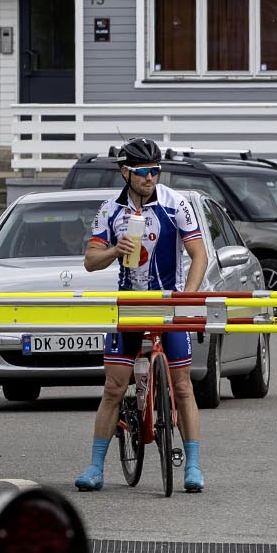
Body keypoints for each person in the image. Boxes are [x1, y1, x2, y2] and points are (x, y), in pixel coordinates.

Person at [74, 137, 211, 493]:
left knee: (183, 387)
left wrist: (189, 298)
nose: (151, 177)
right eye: (143, 172)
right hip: (129, 305)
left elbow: (199, 255)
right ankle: (94, 466)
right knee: (113, 388)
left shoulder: (175, 202)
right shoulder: (111, 210)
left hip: (168, 303)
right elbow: (90, 261)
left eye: (155, 171)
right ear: (125, 173)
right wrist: (114, 250)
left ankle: (193, 466)